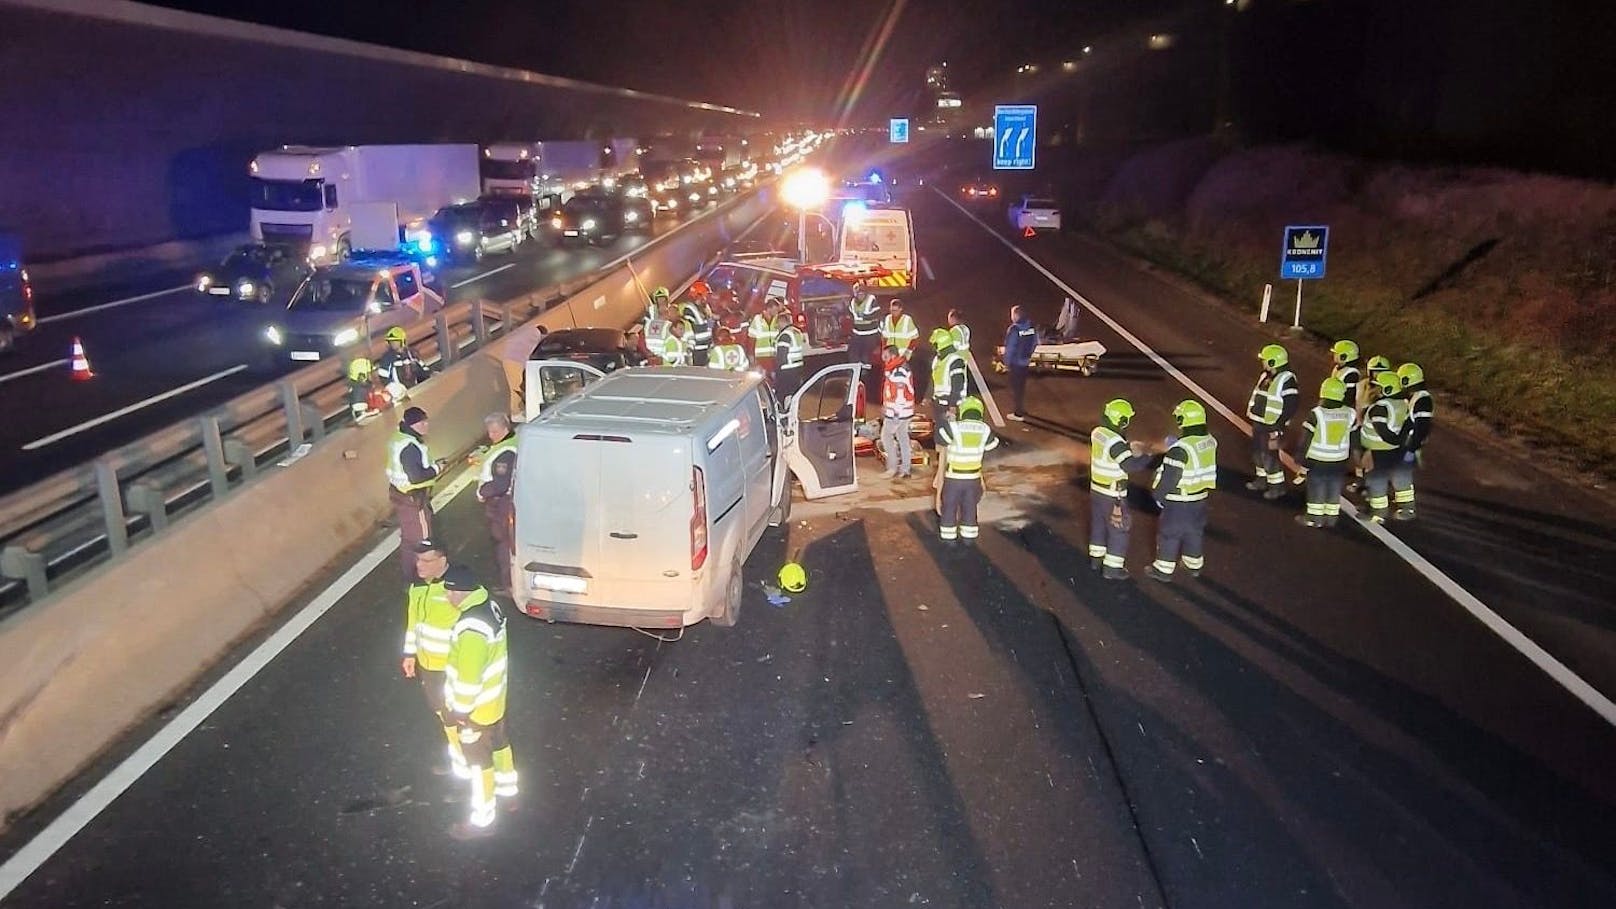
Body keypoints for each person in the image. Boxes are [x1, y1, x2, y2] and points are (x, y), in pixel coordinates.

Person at [441, 566, 517, 839]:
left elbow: (468, 677)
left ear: (459, 593)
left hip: (476, 709)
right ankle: (509, 794)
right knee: (500, 746)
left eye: (449, 591)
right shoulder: (490, 606)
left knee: (479, 764)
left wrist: (461, 710)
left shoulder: (470, 627)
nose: (447, 596)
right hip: (495, 700)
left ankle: (483, 819)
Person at [400, 539, 467, 781]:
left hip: (452, 667)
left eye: (426, 561)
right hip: (429, 667)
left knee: (455, 718)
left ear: (443, 561)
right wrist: (410, 654)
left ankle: (467, 767)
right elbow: (413, 624)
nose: (420, 565)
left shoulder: (456, 588)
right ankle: (461, 762)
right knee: (443, 716)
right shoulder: (417, 588)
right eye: (418, 560)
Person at [1147, 400, 1218, 583]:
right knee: (1194, 532)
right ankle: (1193, 565)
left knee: (1169, 534)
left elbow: (1170, 478)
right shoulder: (1209, 441)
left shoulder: (1180, 451)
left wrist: (1158, 496)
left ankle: (1163, 569)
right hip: (1200, 499)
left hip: (1178, 501)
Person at [1089, 398, 1154, 580]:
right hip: (1113, 495)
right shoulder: (1115, 443)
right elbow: (1130, 465)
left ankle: (1096, 559)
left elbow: (1115, 448)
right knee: (1119, 530)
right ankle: (1113, 568)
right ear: (1121, 421)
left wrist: (1130, 446)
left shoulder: (1098, 433)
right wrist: (1147, 456)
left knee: (1099, 526)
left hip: (1097, 490)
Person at [388, 407, 444, 579]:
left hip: (402, 495)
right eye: (423, 422)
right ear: (413, 424)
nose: (426, 425)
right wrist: (437, 468)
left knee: (408, 539)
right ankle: (422, 578)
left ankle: (410, 576)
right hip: (414, 498)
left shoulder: (400, 438)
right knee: (422, 540)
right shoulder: (410, 446)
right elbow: (416, 477)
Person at [1294, 377, 1357, 528]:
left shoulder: (1317, 414)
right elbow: (1354, 437)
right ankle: (1331, 517)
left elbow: (1306, 440)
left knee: (1317, 488)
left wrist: (1302, 461)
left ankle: (1315, 518)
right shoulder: (1350, 413)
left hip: (1318, 460)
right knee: (1334, 488)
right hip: (1340, 460)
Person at [935, 396, 998, 542]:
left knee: (949, 507)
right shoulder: (985, 429)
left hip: (953, 478)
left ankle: (948, 538)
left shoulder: (954, 427)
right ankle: (969, 537)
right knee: (970, 507)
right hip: (973, 478)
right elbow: (992, 445)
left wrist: (945, 421)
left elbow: (941, 439)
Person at [1244, 344, 1300, 499]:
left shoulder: (1287, 379)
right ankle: (1261, 479)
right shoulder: (1267, 375)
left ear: (1273, 362)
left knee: (1269, 456)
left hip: (1272, 425)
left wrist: (1279, 426)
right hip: (1260, 422)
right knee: (1257, 453)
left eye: (1265, 360)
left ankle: (1277, 487)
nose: (1263, 362)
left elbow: (1291, 405)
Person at [1357, 370, 1409, 524]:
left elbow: (1383, 431)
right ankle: (1390, 509)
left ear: (1387, 389)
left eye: (1379, 387)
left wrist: (1393, 441)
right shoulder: (1402, 404)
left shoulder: (1380, 408)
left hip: (1378, 449)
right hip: (1392, 450)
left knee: (1376, 481)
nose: (1375, 390)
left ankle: (1377, 513)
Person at [475, 413, 518, 592]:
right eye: (489, 431)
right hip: (506, 502)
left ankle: (509, 584)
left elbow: (501, 483)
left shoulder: (505, 453)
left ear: (505, 429)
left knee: (504, 543)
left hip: (502, 503)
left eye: (494, 431)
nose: (491, 435)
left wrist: (482, 492)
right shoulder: (510, 443)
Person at [1395, 362, 1433, 520]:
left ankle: (1408, 509)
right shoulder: (1414, 397)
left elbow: (1422, 428)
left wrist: (1411, 449)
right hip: (1406, 444)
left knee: (1402, 476)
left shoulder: (1422, 400)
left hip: (1409, 445)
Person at [880, 345, 916, 479]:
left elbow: (900, 395)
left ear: (893, 356)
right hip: (905, 412)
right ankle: (905, 469)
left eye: (886, 356)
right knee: (902, 438)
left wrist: (895, 413)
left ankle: (892, 467)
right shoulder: (899, 368)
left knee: (886, 436)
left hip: (898, 413)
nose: (883, 359)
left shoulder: (898, 371)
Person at [1003, 305, 1037, 421]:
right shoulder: (1031, 326)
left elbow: (1010, 348)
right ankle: (1021, 409)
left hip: (1015, 363)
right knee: (1021, 388)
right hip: (1025, 362)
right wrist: (1028, 355)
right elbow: (1035, 342)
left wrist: (1006, 363)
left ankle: (1018, 413)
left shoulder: (1014, 329)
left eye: (1012, 314)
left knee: (1015, 389)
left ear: (1016, 315)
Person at [376, 326, 430, 398]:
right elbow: (383, 378)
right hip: (399, 395)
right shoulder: (387, 358)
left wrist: (426, 374)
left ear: (402, 341)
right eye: (391, 341)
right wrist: (397, 390)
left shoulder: (412, 354)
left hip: (415, 390)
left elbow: (424, 369)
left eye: (395, 341)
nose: (392, 343)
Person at [929, 327, 967, 428]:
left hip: (950, 404)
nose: (933, 347)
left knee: (950, 433)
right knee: (940, 432)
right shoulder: (938, 359)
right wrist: (929, 397)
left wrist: (952, 405)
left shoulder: (955, 361)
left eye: (935, 344)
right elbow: (934, 379)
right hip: (939, 403)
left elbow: (957, 385)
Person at [773, 312, 809, 401]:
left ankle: (784, 413)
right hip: (798, 369)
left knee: (782, 395)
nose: (777, 326)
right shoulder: (796, 332)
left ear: (782, 322)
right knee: (794, 395)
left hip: (786, 371)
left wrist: (776, 371)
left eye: (777, 323)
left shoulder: (785, 336)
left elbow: (781, 357)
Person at [748, 298, 785, 377]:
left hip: (774, 357)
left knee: (774, 378)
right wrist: (751, 356)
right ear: (769, 308)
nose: (776, 313)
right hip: (761, 358)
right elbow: (751, 339)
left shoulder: (777, 319)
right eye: (775, 310)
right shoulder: (757, 320)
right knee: (762, 378)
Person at [847, 288, 882, 366]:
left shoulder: (871, 300)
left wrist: (865, 317)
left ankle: (865, 374)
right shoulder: (853, 302)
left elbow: (877, 313)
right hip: (857, 333)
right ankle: (855, 373)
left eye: (862, 294)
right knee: (854, 356)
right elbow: (850, 313)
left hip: (870, 334)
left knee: (866, 357)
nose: (860, 296)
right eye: (859, 294)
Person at [680, 293, 715, 367]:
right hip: (696, 348)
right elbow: (689, 328)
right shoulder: (688, 309)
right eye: (704, 295)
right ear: (697, 295)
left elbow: (710, 326)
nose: (706, 298)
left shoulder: (705, 307)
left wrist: (710, 317)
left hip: (706, 347)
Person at [1330, 339, 1363, 411]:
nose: (1334, 355)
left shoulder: (1352, 374)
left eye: (1336, 354)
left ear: (1343, 357)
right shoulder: (1337, 368)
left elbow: (1349, 398)